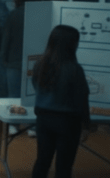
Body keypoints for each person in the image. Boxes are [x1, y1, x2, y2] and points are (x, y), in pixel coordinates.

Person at [31, 25, 90, 178]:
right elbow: (82, 100)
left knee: (42, 162)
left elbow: (36, 87)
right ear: (71, 44)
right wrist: (87, 125)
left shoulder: (40, 65)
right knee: (63, 167)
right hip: (68, 123)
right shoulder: (74, 69)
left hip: (43, 120)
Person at [0, 0, 32, 99]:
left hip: (14, 61)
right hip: (33, 62)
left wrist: (3, 59)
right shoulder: (37, 13)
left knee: (13, 96)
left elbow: (6, 39)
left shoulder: (13, 14)